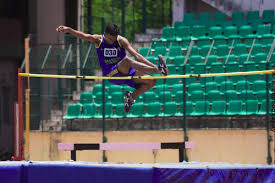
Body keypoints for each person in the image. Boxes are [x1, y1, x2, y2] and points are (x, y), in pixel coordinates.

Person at [56, 23, 168, 113]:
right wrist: (69, 30)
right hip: (112, 74)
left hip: (127, 72)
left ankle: (131, 97)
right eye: (110, 39)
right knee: (127, 60)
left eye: (114, 39)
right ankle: (158, 70)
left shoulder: (121, 40)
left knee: (151, 81)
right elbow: (84, 36)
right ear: (105, 34)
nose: (112, 41)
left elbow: (137, 56)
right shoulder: (98, 40)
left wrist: (153, 66)